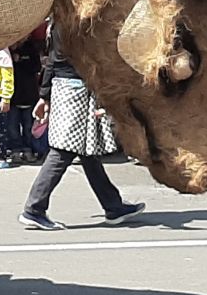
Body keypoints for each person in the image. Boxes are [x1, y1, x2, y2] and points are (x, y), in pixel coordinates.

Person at [18, 25, 145, 230]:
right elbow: (91, 60)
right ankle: (34, 208)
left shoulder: (59, 22)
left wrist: (44, 96)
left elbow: (52, 61)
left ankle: (113, 206)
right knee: (64, 151)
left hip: (64, 86)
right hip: (76, 88)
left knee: (87, 149)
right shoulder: (78, 23)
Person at [8, 34, 47, 163]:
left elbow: (36, 67)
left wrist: (20, 60)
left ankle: (28, 150)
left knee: (28, 126)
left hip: (29, 94)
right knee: (12, 127)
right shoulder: (7, 50)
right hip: (13, 95)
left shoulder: (30, 48)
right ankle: (15, 150)